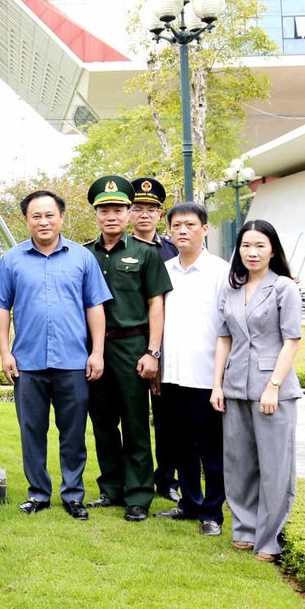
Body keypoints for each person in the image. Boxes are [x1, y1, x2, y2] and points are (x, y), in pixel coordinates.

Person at [0, 190, 111, 518]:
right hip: (27, 363)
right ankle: (39, 493)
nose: (43, 221)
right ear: (26, 220)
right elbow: (1, 308)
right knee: (32, 431)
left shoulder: (82, 258)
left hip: (73, 362)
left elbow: (94, 306)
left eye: (49, 215)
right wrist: (5, 353)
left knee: (73, 433)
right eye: (36, 216)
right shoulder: (11, 260)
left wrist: (97, 352)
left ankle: (73, 495)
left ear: (61, 217)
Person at [210, 220, 302, 562]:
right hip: (235, 386)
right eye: (246, 245)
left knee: (275, 467)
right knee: (239, 464)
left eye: (260, 245)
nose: (252, 252)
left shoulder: (284, 288)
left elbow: (291, 341)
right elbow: (224, 338)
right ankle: (245, 530)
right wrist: (217, 384)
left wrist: (273, 387)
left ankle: (269, 539)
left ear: (272, 250)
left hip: (272, 389)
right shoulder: (231, 288)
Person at [83, 175, 173, 522]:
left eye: (119, 209)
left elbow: (156, 305)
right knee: (102, 423)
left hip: (132, 347)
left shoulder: (145, 254)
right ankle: (111, 489)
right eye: (104, 209)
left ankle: (138, 495)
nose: (112, 215)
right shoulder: (83, 254)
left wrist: (153, 352)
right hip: (94, 349)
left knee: (135, 424)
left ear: (127, 212)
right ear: (96, 214)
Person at [153, 202, 229, 537]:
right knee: (178, 445)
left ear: (205, 229)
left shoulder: (221, 272)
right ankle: (189, 503)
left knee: (210, 450)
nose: (183, 231)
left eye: (190, 225)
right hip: (171, 375)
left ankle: (212, 512)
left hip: (206, 376)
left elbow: (228, 328)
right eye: (177, 226)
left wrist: (220, 381)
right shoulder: (164, 270)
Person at [130, 175, 180, 503]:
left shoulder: (173, 251)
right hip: (130, 345)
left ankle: (168, 478)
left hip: (168, 346)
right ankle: (133, 479)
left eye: (152, 208)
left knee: (168, 418)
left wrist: (159, 352)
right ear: (129, 212)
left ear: (160, 214)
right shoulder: (115, 249)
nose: (145, 214)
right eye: (138, 207)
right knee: (131, 417)